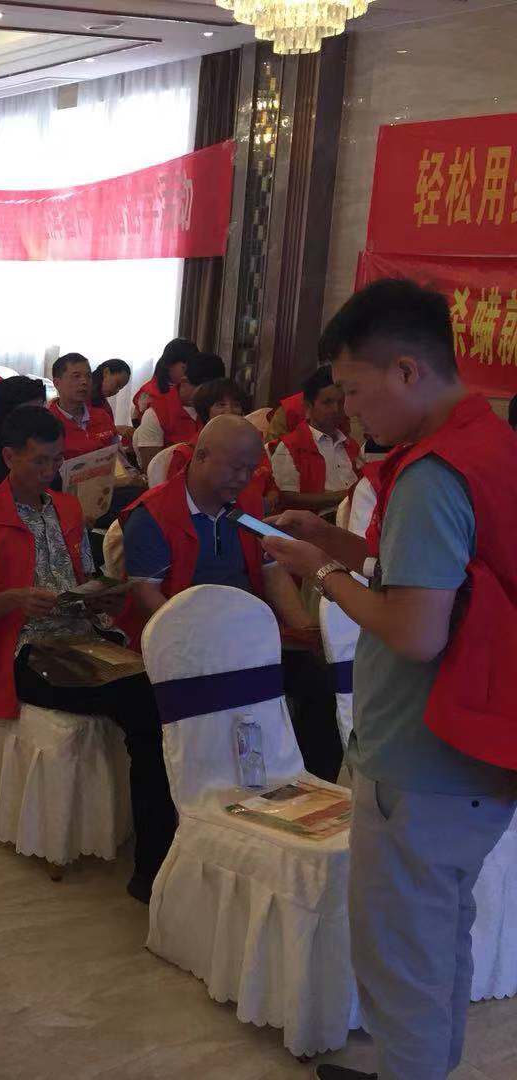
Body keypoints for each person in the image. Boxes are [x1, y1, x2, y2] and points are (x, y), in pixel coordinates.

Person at [259, 279, 517, 1080]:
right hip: (477, 748)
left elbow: (413, 629)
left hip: (422, 758)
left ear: (406, 370)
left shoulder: (433, 474)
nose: (349, 410)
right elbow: (442, 581)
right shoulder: (489, 443)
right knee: (434, 942)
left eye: (353, 390)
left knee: (401, 962)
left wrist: (319, 573)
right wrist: (337, 545)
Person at [0, 407, 175, 903]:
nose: (50, 471)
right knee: (145, 704)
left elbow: (83, 581)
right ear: (9, 457)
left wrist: (102, 598)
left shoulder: (68, 510)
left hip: (79, 637)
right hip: (22, 653)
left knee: (162, 687)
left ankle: (163, 836)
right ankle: (154, 861)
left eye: (56, 460)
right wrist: (13, 600)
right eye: (39, 461)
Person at [121, 414, 343, 781]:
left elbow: (272, 572)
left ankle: (306, 785)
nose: (243, 478)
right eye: (235, 468)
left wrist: (305, 630)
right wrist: (207, 641)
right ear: (201, 456)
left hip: (247, 637)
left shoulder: (248, 504)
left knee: (323, 682)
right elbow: (148, 596)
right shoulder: (153, 514)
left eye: (250, 470)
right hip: (184, 642)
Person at [164, 379, 279, 513]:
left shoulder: (253, 447)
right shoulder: (187, 453)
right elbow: (176, 501)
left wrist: (267, 501)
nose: (229, 410)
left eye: (236, 405)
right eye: (220, 405)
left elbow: (271, 487)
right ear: (206, 411)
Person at [270, 365, 360, 512]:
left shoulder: (351, 445)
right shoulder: (290, 446)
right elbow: (288, 497)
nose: (336, 410)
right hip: (314, 520)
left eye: (340, 402)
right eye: (327, 403)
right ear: (308, 407)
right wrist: (346, 495)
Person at [133, 351, 225, 469]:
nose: (210, 397)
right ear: (184, 382)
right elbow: (152, 469)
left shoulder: (218, 409)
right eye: (205, 390)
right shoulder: (156, 413)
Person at [0, 375, 47, 488]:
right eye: (28, 414)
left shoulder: (46, 445)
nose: (38, 420)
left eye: (41, 411)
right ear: (4, 415)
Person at [47, 352, 119, 460]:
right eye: (76, 376)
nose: (84, 382)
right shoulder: (46, 421)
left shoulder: (102, 416)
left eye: (88, 376)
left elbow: (119, 458)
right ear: (57, 383)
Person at [132, 338, 199, 421]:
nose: (189, 373)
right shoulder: (149, 393)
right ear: (169, 364)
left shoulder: (189, 388)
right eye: (184, 368)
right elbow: (137, 419)